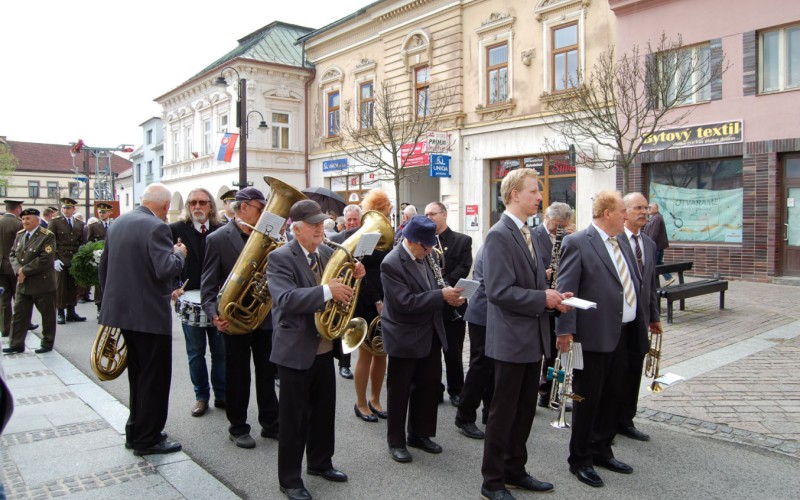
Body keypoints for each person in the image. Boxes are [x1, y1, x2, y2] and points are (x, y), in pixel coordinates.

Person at [480, 168, 569, 500]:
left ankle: (515, 470)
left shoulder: (529, 233)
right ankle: (492, 482)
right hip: (511, 341)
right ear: (514, 194)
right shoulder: (499, 235)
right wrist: (541, 297)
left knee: (524, 411)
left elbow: (532, 287)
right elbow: (498, 291)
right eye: (533, 191)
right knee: (503, 414)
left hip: (532, 338)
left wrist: (554, 299)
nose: (539, 196)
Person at [267, 199, 364, 500]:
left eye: (321, 224)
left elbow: (341, 293)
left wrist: (355, 276)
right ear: (296, 229)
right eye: (313, 225)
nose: (320, 229)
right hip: (295, 350)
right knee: (294, 420)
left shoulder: (328, 251)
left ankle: (320, 463)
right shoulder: (280, 257)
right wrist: (326, 291)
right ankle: (290, 479)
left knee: (324, 412)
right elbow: (285, 299)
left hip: (323, 348)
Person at [555, 190, 649, 488]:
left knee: (614, 395)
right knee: (586, 399)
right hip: (592, 335)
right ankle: (580, 458)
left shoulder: (621, 240)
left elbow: (632, 283)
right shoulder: (578, 242)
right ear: (608, 213)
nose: (627, 216)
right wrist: (565, 331)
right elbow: (566, 289)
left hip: (624, 332)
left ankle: (602, 449)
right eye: (623, 211)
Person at [98, 183, 187, 456]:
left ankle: (135, 432)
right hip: (149, 315)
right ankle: (148, 438)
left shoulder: (119, 222)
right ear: (163, 207)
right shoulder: (157, 227)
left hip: (122, 313)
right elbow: (165, 269)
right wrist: (179, 255)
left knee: (138, 376)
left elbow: (104, 268)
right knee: (154, 378)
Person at [381, 215, 463, 464]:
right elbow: (405, 303)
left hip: (430, 333)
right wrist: (441, 295)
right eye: (425, 246)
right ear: (411, 240)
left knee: (427, 387)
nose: (429, 251)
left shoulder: (429, 255)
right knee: (400, 391)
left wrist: (452, 296)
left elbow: (437, 285)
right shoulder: (391, 263)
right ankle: (396, 441)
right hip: (404, 335)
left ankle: (420, 434)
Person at [202, 187, 279, 449]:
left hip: (264, 317)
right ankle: (237, 427)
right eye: (260, 207)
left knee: (268, 373)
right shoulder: (217, 239)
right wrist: (213, 315)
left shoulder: (271, 236)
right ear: (243, 207)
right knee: (238, 375)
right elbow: (208, 286)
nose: (265, 212)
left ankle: (271, 423)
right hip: (234, 318)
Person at [170, 189, 225, 418]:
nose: (197, 206)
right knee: (195, 352)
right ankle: (201, 396)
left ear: (210, 206)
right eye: (193, 202)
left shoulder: (222, 230)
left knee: (221, 352)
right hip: (190, 296)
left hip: (218, 298)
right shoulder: (175, 230)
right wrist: (173, 285)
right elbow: (166, 261)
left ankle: (222, 394)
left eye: (202, 202)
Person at [619, 192, 662, 442]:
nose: (644, 212)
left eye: (646, 208)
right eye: (638, 207)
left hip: (640, 319)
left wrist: (654, 316)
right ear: (624, 211)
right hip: (618, 320)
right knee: (615, 373)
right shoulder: (614, 242)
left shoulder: (648, 243)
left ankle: (626, 419)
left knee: (634, 370)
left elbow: (651, 285)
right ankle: (608, 422)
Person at [348, 191, 392, 423]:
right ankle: (361, 402)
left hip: (384, 298)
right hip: (366, 299)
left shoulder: (388, 236)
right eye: (386, 210)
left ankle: (375, 399)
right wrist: (376, 301)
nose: (388, 214)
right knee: (365, 354)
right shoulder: (362, 236)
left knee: (381, 352)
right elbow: (360, 274)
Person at [424, 201, 472, 406]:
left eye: (432, 214)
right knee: (432, 351)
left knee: (453, 351)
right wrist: (437, 290)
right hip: (432, 303)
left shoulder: (462, 240)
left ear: (444, 214)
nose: (428, 218)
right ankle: (434, 388)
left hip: (454, 303)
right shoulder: (422, 241)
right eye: (425, 215)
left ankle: (456, 390)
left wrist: (446, 288)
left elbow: (464, 267)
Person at [533, 202, 575, 410]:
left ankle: (548, 391)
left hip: (558, 300)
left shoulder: (568, 238)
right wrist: (544, 273)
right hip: (540, 300)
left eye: (562, 225)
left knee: (553, 352)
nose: (558, 229)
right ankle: (535, 389)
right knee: (538, 350)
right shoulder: (533, 235)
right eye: (556, 224)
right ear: (546, 218)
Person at [3, 209, 57, 354]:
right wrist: (18, 270)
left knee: (47, 315)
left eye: (28, 219)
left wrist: (24, 271)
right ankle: (16, 344)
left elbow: (45, 258)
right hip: (23, 283)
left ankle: (47, 343)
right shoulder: (20, 235)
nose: (25, 222)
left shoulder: (47, 236)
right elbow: (12, 254)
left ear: (37, 220)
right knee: (19, 314)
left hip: (42, 283)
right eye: (23, 219)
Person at [454, 246, 492, 440]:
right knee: (480, 366)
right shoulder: (495, 242)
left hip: (492, 314)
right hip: (483, 314)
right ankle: (465, 416)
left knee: (491, 366)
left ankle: (490, 413)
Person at [328, 203, 363, 380]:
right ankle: (344, 364)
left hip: (362, 289)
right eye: (348, 219)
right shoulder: (337, 238)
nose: (351, 222)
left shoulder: (367, 237)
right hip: (344, 287)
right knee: (345, 326)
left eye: (354, 219)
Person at [49, 197, 86, 324]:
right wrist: (54, 259)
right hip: (60, 257)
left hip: (74, 258)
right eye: (64, 207)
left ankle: (71, 311)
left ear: (74, 209)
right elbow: (49, 242)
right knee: (60, 286)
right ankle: (60, 312)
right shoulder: (55, 222)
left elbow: (82, 242)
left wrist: (81, 257)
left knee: (73, 286)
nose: (66, 210)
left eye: (68, 208)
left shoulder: (79, 223)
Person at [0, 200, 23, 338]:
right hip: (14, 266)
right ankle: (20, 325)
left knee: (3, 298)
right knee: (19, 298)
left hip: (1, 266)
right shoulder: (19, 224)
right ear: (17, 209)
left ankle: (5, 328)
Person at [86, 202, 113, 320]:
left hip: (113, 257)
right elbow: (89, 242)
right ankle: (99, 306)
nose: (102, 214)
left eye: (104, 212)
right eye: (100, 212)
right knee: (99, 282)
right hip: (99, 257)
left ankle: (110, 307)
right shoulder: (93, 226)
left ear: (110, 213)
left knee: (112, 282)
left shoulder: (115, 224)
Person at [643, 202, 673, 285]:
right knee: (658, 263)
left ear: (656, 209)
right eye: (648, 208)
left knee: (654, 264)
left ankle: (652, 283)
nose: (649, 209)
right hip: (657, 246)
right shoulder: (655, 217)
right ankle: (668, 277)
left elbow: (654, 233)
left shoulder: (656, 218)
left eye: (651, 207)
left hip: (656, 246)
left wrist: (649, 244)